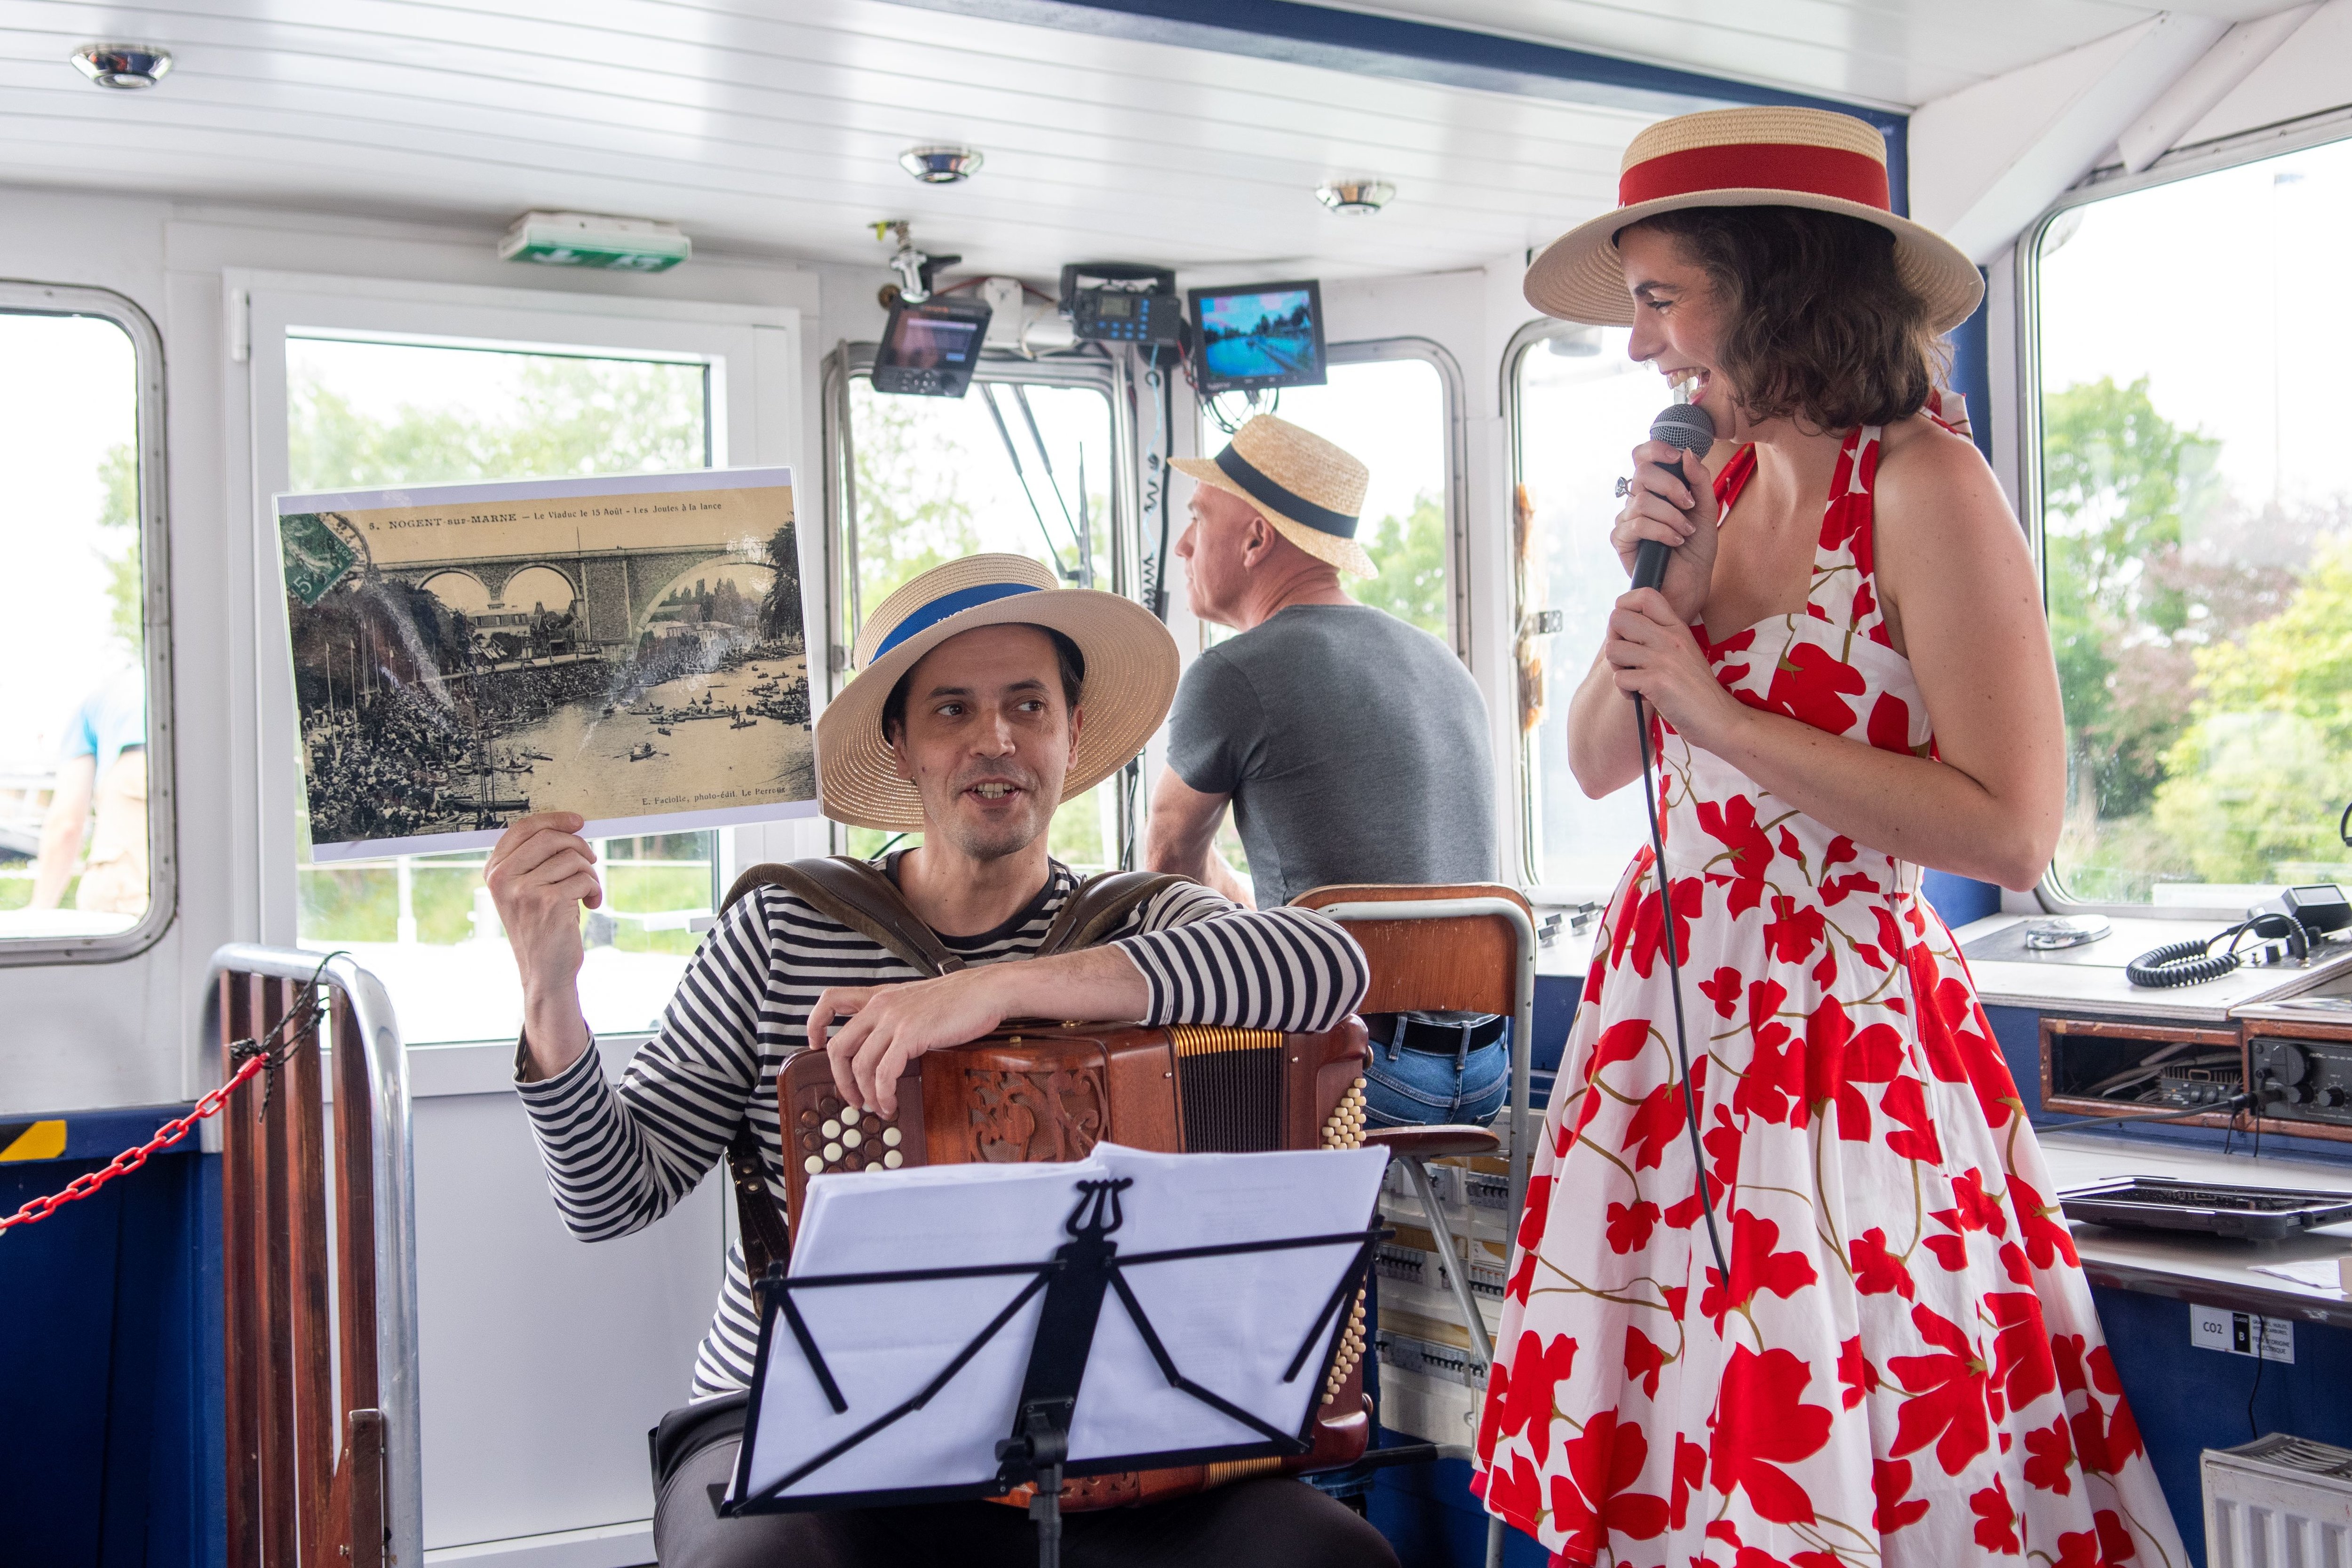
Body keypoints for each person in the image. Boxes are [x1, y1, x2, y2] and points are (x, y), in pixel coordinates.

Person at [1476, 107, 2184, 1565]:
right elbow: (1607, 763)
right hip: (1658, 1032)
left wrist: (1724, 717)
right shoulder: (1709, 485)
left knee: (1837, 1454)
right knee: (1672, 1470)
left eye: (1658, 298)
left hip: (1833, 1042)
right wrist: (1646, 582)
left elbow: (2010, 824)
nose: (1640, 345)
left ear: (1771, 281)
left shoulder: (1925, 484)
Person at [486, 553, 1394, 1568]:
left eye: (1026, 705)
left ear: (1072, 733)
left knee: (1328, 1553)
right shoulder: (780, 928)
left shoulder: (1135, 924)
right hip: (798, 1422)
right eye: (952, 710)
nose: (994, 737)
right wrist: (548, 991)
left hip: (1100, 1432)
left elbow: (1327, 964)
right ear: (903, 745)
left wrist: (991, 989)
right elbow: (611, 1194)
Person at [1146, 415, 1505, 1132]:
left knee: (1139, 1075)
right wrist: (1248, 900)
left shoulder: (1234, 672)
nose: (1182, 545)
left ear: (1255, 539)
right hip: (1490, 1066)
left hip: (1358, 1064)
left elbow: (1165, 868)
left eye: (1196, 519)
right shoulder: (1442, 662)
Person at [32, 667, 149, 915]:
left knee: (121, 906)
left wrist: (39, 910)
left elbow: (67, 823)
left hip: (137, 762)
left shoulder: (87, 709)